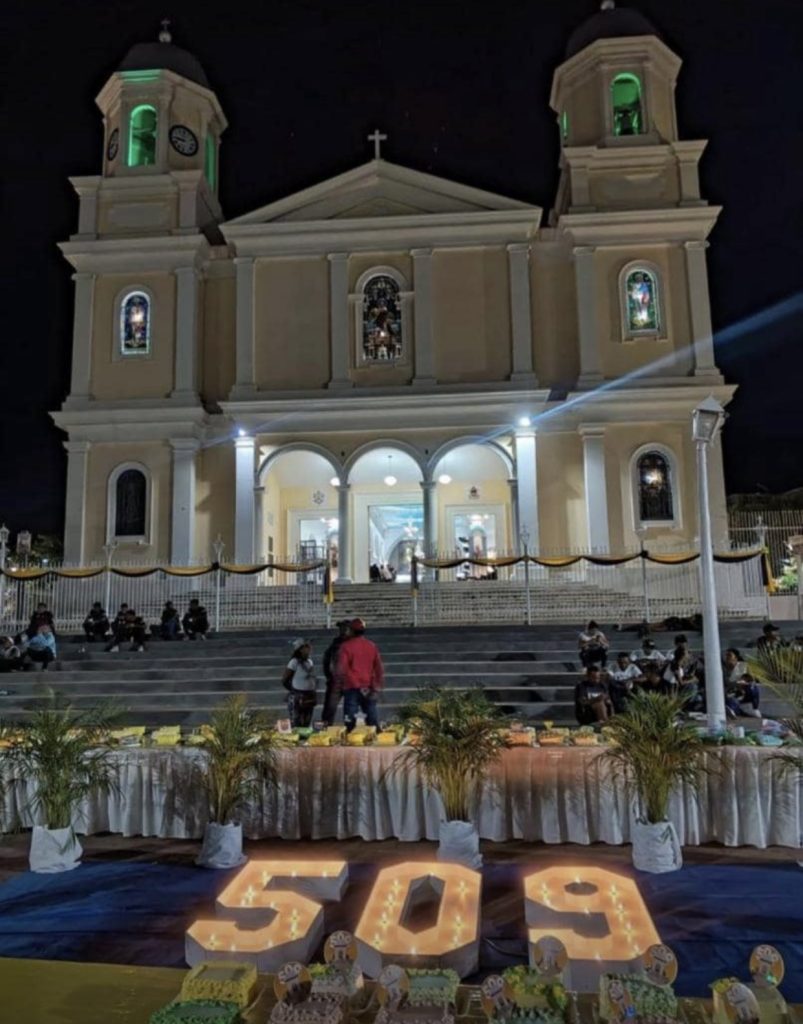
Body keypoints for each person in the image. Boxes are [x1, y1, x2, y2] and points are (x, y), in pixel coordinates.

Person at [335, 618, 384, 731]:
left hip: (351, 687)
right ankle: (375, 735)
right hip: (368, 687)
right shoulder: (371, 646)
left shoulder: (346, 646)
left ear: (351, 631)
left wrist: (349, 683)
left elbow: (342, 669)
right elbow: (379, 668)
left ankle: (350, 735)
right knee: (371, 715)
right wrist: (376, 686)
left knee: (349, 718)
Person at [282, 638, 318, 728]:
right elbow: (285, 679)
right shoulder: (294, 662)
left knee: (307, 721)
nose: (310, 648)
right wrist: (294, 691)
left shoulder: (310, 662)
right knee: (297, 721)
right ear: (300, 649)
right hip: (298, 695)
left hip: (309, 695)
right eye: (307, 646)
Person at [322, 620, 351, 725]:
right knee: (329, 708)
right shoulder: (335, 644)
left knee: (351, 709)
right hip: (336, 681)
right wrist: (329, 676)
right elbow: (326, 660)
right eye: (342, 628)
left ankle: (351, 729)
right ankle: (326, 728)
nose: (343, 630)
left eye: (346, 628)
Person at [723, 648, 761, 718]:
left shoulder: (743, 666)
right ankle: (732, 710)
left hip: (744, 692)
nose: (727, 658)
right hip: (730, 693)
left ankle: (753, 708)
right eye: (726, 655)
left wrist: (745, 682)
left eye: (729, 655)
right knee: (732, 700)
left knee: (753, 687)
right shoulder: (722, 669)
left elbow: (753, 679)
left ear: (736, 658)